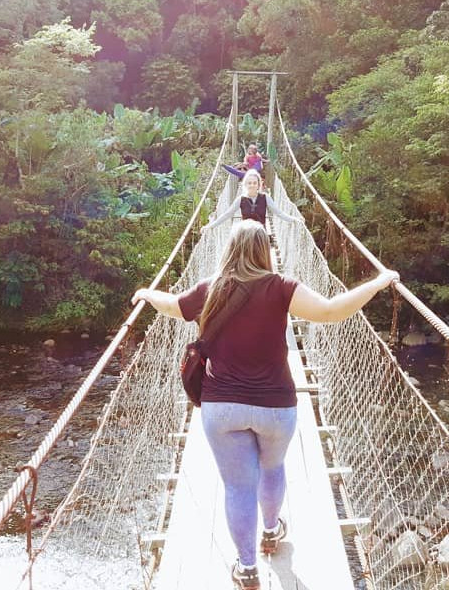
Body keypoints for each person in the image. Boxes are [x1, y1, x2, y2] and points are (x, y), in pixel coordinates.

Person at [131, 221, 399, 589]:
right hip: (276, 407)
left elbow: (172, 306)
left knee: (238, 487)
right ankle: (271, 532)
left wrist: (147, 293)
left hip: (221, 409)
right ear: (266, 250)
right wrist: (379, 281)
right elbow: (334, 311)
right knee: (272, 468)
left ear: (229, 249)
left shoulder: (210, 290)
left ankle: (247, 568)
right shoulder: (282, 288)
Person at [204, 168, 299, 232]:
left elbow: (279, 213)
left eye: (255, 183)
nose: (252, 185)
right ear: (245, 185)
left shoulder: (265, 197)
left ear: (259, 184)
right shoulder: (241, 199)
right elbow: (227, 214)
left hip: (261, 234)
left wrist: (293, 220)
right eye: (249, 183)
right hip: (246, 233)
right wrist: (211, 226)